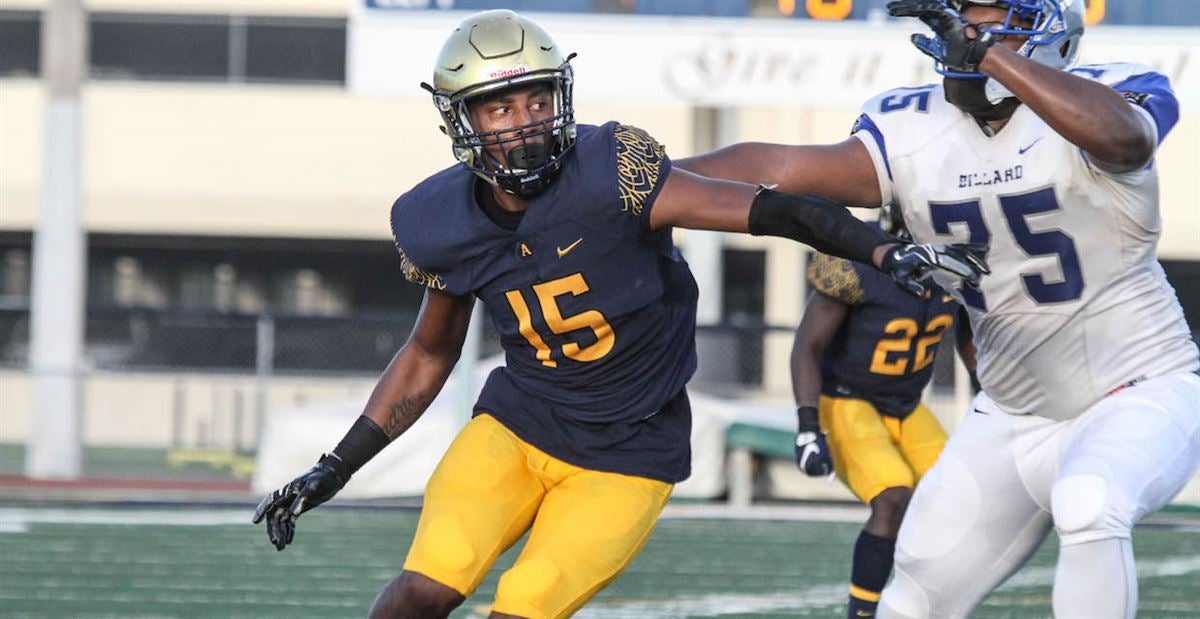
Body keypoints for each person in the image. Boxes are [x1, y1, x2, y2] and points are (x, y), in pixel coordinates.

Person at [250, 9, 986, 619]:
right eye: (500, 106)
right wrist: (336, 465)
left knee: (525, 604)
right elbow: (427, 354)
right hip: (516, 426)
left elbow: (769, 208)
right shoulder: (436, 219)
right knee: (418, 592)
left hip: (627, 456)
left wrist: (883, 252)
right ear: (462, 118)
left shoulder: (613, 171)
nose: (525, 123)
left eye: (538, 99)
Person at [676, 0, 1200, 616]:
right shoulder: (911, 126)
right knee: (910, 597)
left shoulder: (1113, 95)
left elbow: (1127, 139)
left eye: (993, 21)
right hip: (1012, 413)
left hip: (1138, 389)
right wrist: (641, 183)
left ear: (1048, 31)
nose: (972, 36)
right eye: (965, 22)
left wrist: (988, 56)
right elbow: (779, 167)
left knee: (1089, 502)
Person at [791, 206, 974, 618]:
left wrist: (1001, 400)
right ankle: (862, 613)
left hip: (907, 405)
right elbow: (808, 346)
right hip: (847, 400)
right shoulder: (858, 257)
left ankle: (926, 605)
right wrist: (807, 427)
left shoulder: (955, 261)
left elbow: (968, 337)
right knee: (893, 497)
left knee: (959, 497)